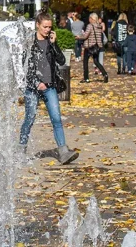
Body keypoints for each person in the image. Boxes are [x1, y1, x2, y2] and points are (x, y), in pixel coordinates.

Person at [19, 12, 79, 164]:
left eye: (50, 27)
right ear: (37, 25)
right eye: (45, 27)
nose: (47, 30)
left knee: (56, 119)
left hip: (49, 86)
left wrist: (54, 44)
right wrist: (36, 82)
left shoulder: (50, 43)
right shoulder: (29, 43)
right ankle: (21, 149)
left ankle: (63, 151)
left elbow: (61, 60)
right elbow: (25, 66)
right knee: (30, 118)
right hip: (33, 88)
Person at [80, 12, 109, 83]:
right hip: (97, 46)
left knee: (85, 62)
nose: (89, 19)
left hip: (89, 46)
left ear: (92, 19)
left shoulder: (90, 26)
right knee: (96, 61)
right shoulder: (99, 26)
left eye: (90, 18)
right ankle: (105, 74)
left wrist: (79, 37)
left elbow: (85, 36)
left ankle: (86, 78)